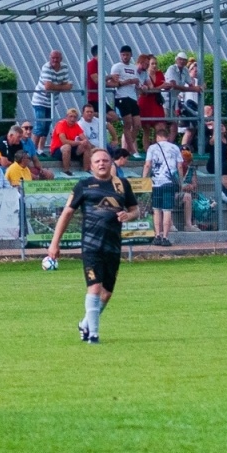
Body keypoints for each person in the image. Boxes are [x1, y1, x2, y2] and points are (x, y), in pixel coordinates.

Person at [45, 147, 139, 345]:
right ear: (91, 165)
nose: (102, 164)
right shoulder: (84, 185)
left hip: (113, 246)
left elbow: (135, 210)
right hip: (91, 245)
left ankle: (86, 323)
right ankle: (94, 335)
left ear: (111, 162)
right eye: (97, 161)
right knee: (94, 288)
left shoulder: (122, 185)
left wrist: (128, 215)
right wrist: (55, 244)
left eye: (105, 160)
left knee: (107, 293)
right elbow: (67, 214)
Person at [142, 122, 182, 246]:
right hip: (169, 182)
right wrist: (180, 180)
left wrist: (144, 179)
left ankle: (157, 235)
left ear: (157, 137)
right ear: (167, 137)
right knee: (167, 210)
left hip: (156, 183)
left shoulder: (152, 148)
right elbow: (180, 165)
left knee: (156, 210)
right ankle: (165, 237)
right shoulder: (174, 148)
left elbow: (148, 164)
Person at [105, 45, 141, 155]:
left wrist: (138, 85)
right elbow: (113, 83)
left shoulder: (134, 68)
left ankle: (128, 147)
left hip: (132, 97)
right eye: (123, 55)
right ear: (120, 55)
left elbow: (137, 83)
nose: (125, 57)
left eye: (127, 55)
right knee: (128, 122)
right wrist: (126, 82)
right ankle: (132, 150)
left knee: (137, 124)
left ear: (131, 55)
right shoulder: (117, 67)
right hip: (121, 96)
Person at [31, 51, 73, 142]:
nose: (55, 60)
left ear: (61, 59)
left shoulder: (64, 67)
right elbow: (48, 87)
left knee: (46, 126)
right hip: (40, 101)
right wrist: (62, 87)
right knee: (39, 126)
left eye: (57, 58)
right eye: (53, 58)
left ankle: (40, 150)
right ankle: (32, 151)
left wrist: (55, 87)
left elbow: (68, 86)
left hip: (52, 102)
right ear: (50, 58)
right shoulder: (46, 67)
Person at [163, 52, 202, 147]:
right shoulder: (171, 69)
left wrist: (198, 88)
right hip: (165, 100)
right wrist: (194, 89)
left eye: (184, 60)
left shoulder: (185, 70)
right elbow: (174, 86)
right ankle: (162, 147)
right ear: (176, 60)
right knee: (163, 126)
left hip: (174, 100)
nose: (182, 61)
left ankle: (168, 146)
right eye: (180, 59)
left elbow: (190, 84)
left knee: (174, 127)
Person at [137, 53, 166, 151]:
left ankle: (156, 149)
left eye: (156, 64)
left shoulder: (159, 74)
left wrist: (159, 88)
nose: (154, 66)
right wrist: (160, 88)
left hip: (156, 103)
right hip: (145, 102)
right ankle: (146, 151)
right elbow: (145, 91)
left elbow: (155, 88)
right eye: (152, 63)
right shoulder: (144, 74)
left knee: (160, 127)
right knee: (147, 128)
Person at [49, 108, 90, 174]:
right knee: (67, 146)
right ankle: (66, 170)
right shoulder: (61, 124)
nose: (72, 119)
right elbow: (64, 141)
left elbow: (84, 138)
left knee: (86, 145)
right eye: (71, 116)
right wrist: (80, 142)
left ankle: (86, 170)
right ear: (66, 117)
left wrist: (85, 142)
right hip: (57, 150)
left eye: (74, 117)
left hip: (71, 149)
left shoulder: (76, 125)